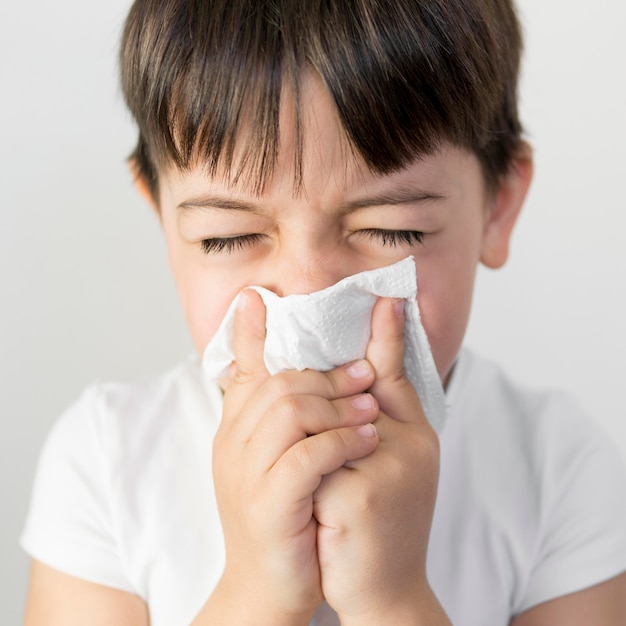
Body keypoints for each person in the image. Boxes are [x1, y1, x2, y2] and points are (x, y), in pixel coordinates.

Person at [20, 1, 626, 625]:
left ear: (497, 207)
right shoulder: (105, 461)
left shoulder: (557, 468)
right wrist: (257, 593)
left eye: (393, 230)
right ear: (163, 222)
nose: (307, 296)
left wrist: (391, 600)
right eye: (226, 236)